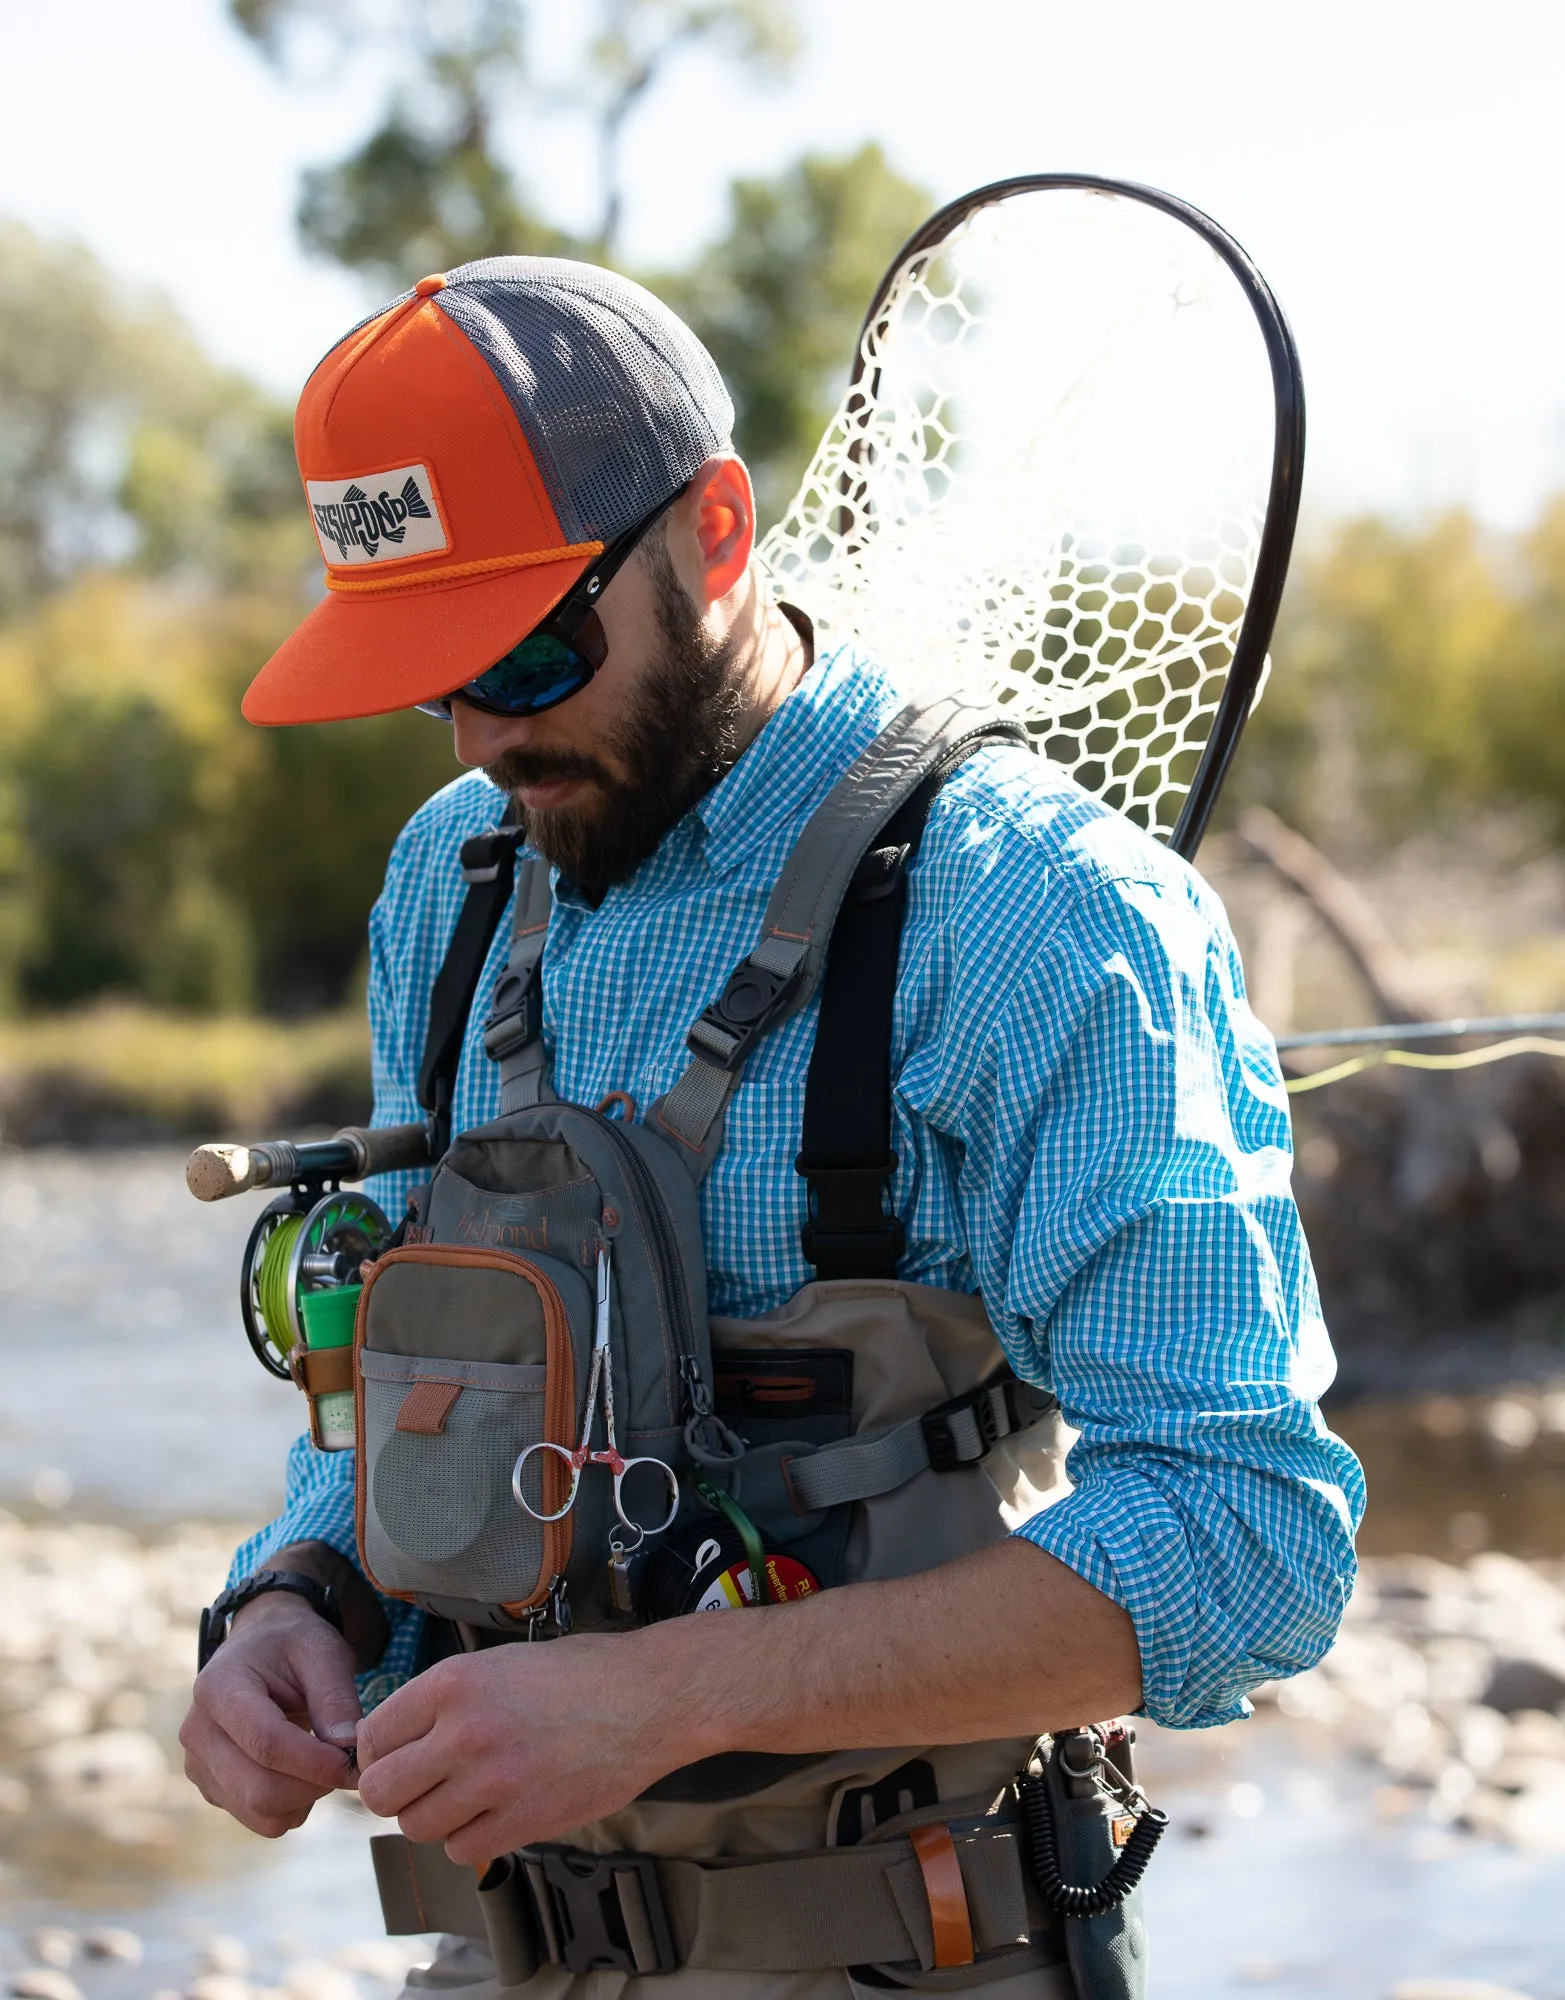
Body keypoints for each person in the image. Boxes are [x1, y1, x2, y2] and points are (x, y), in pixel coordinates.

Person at [180, 258, 1363, 1997]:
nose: (488, 734)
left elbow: (1248, 1535)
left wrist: (662, 1700)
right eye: (429, 673)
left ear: (717, 534)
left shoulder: (1037, 917)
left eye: (524, 648)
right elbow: (412, 1374)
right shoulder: (446, 879)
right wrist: (298, 1600)